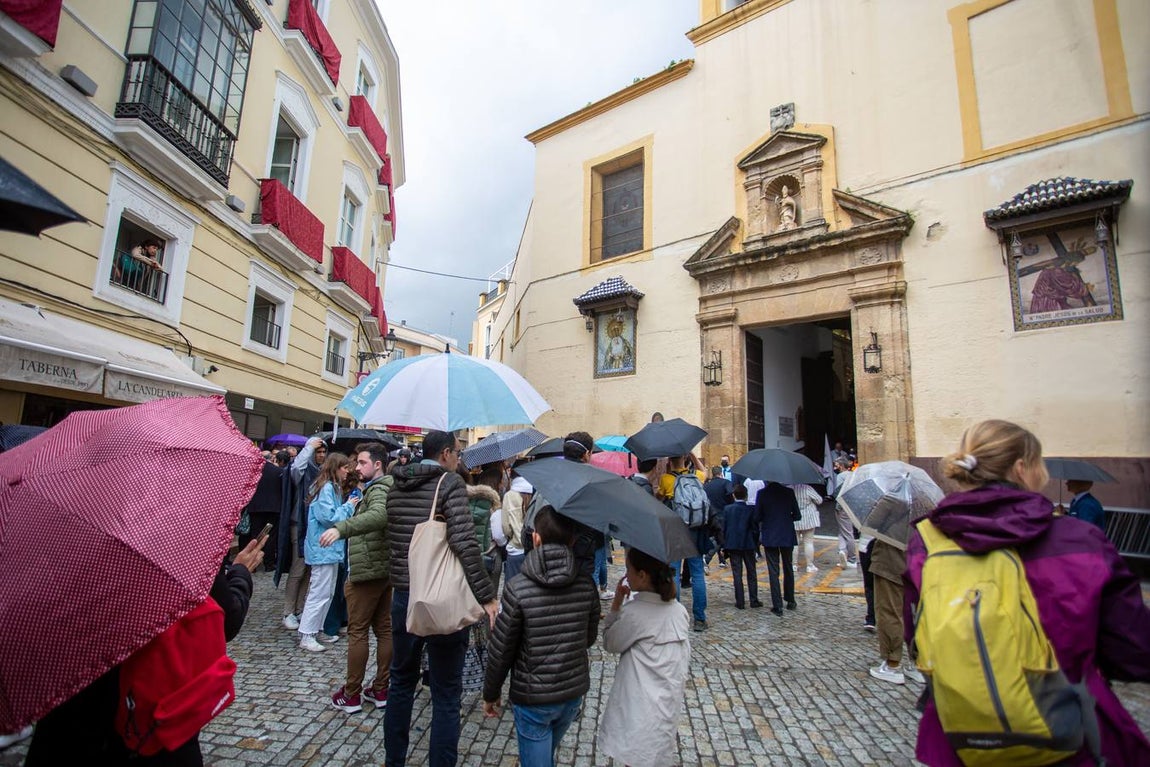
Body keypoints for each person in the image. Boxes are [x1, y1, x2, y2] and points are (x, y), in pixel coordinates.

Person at [904, 419, 1150, 766]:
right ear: (1022, 468)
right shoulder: (1079, 541)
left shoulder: (925, 543)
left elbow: (918, 638)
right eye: (1040, 464)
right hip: (1070, 735)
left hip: (959, 741)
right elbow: (1134, 651)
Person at [25, 539, 263, 765]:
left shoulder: (48, 550)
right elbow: (226, 618)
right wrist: (240, 573)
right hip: (148, 720)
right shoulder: (173, 540)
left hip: (69, 720)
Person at [384, 430, 498, 767]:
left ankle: (394, 761)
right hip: (440, 597)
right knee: (447, 692)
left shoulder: (395, 484)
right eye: (459, 453)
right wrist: (487, 597)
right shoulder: (447, 484)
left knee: (401, 681)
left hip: (404, 595)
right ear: (446, 454)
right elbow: (465, 543)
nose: (460, 460)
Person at [482, 508, 600, 767]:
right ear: (572, 541)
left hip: (533, 698)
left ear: (536, 539)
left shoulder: (517, 588)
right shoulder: (586, 584)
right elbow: (589, 638)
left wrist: (491, 693)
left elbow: (501, 649)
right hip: (571, 693)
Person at [598, 547, 691, 767]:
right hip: (666, 707)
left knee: (636, 756)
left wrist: (616, 604)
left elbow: (610, 642)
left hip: (639, 708)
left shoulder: (635, 613)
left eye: (628, 569)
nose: (626, 574)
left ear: (642, 575)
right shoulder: (679, 612)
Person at [320, 443, 395, 713]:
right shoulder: (377, 488)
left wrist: (342, 529)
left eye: (363, 462)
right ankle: (381, 688)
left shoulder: (380, 489)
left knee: (359, 631)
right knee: (383, 629)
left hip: (367, 570)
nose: (357, 467)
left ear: (377, 464)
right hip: (380, 568)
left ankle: (352, 694)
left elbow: (378, 516)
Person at [298, 453, 358, 652]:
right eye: (344, 468)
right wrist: (349, 507)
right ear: (336, 468)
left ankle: (318, 628)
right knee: (319, 592)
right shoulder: (326, 489)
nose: (347, 471)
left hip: (329, 549)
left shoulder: (330, 488)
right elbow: (329, 517)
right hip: (323, 548)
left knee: (327, 591)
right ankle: (307, 633)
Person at [657, 454, 709, 631]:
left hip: (676, 531)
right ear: (686, 460)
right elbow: (705, 471)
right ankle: (700, 619)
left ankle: (675, 615)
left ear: (670, 461)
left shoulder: (666, 479)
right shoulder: (697, 477)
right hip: (695, 530)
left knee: (674, 573)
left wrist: (667, 472)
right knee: (698, 574)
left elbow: (659, 497)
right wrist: (693, 455)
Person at [279, 437, 326, 630]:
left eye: (324, 452)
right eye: (318, 452)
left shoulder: (323, 473)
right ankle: (288, 611)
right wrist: (308, 447)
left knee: (308, 570)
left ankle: (299, 609)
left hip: (314, 525)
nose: (321, 455)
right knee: (298, 569)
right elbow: (295, 470)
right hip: (299, 524)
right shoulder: (304, 471)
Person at [867, 538, 922, 685]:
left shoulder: (894, 514)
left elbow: (876, 522)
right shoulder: (924, 515)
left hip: (890, 561)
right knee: (915, 613)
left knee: (889, 611)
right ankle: (918, 663)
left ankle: (892, 664)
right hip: (918, 561)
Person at [756, 481, 799, 616]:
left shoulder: (762, 494)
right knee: (788, 567)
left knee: (773, 571)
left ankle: (777, 604)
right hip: (787, 534)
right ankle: (790, 599)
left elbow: (757, 516)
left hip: (770, 535)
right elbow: (797, 515)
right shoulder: (789, 492)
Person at [721, 484, 760, 609]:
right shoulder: (750, 510)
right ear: (746, 495)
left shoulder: (727, 509)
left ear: (733, 495)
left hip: (733, 544)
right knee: (751, 572)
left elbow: (724, 528)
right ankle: (754, 599)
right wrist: (755, 545)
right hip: (748, 544)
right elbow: (755, 529)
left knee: (737, 573)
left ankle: (740, 601)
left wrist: (724, 544)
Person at [502, 474, 532, 582]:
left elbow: (506, 528)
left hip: (515, 549)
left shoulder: (509, 495)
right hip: (532, 548)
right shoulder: (534, 492)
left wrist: (511, 535)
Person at [702, 466, 734, 568]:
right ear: (721, 474)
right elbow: (730, 494)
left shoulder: (706, 485)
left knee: (716, 537)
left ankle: (722, 560)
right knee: (720, 538)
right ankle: (707, 558)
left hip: (710, 515)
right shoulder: (725, 483)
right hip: (722, 514)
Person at [831, 461, 859, 568]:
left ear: (842, 466)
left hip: (842, 506)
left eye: (837, 464)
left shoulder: (840, 476)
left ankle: (852, 559)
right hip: (852, 506)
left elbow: (839, 493)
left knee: (847, 532)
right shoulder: (854, 475)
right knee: (843, 530)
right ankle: (842, 551)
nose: (835, 466)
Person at [791, 483, 823, 573]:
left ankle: (793, 565)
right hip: (808, 518)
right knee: (808, 542)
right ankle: (809, 565)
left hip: (794, 518)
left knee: (794, 544)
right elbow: (819, 500)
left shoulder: (789, 489)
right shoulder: (807, 488)